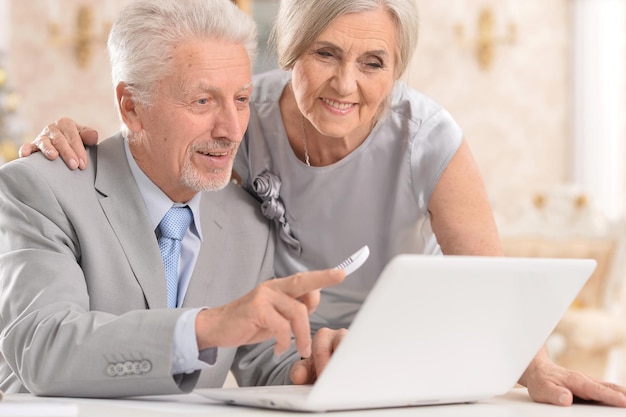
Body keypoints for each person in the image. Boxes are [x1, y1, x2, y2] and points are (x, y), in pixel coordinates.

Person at [20, 0, 626, 407]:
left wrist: (534, 364)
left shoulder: (418, 139)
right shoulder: (237, 125)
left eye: (373, 63)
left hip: (385, 365)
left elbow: (260, 350)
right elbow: (156, 132)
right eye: (326, 54)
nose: (345, 84)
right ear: (290, 52)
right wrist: (66, 139)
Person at [0, 0, 347, 398]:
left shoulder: (249, 223)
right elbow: (45, 349)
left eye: (240, 99)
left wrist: (316, 362)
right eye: (203, 101)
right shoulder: (40, 190)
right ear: (132, 107)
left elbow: (265, 358)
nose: (232, 130)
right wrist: (208, 327)